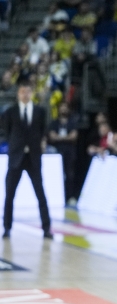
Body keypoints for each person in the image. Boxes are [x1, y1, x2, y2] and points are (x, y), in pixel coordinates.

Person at [2, 81, 52, 239]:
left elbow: (43, 131)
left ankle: (46, 228)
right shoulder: (10, 111)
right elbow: (7, 132)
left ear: (31, 93)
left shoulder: (40, 111)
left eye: (27, 91)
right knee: (9, 195)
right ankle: (7, 227)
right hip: (16, 158)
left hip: (33, 158)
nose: (25, 94)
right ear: (18, 93)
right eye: (22, 91)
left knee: (40, 194)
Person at [47, 102, 78, 205]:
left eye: (65, 107)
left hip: (69, 152)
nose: (63, 109)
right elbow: (52, 136)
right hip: (57, 153)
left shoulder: (72, 122)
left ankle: (70, 196)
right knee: (57, 175)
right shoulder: (54, 123)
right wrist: (66, 138)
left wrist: (59, 138)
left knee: (70, 175)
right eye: (62, 107)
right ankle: (58, 197)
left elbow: (74, 136)